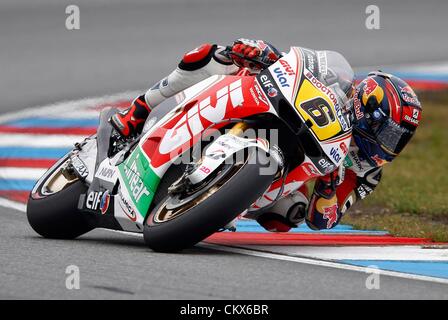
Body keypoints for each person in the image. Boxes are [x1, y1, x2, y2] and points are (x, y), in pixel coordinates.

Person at [109, 38, 422, 232]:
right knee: (215, 55)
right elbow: (296, 65)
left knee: (289, 217)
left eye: (400, 139)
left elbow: (323, 220)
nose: (391, 145)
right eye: (391, 133)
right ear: (366, 106)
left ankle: (219, 198)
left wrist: (329, 182)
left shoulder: (367, 173)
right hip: (272, 105)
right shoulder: (336, 77)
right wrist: (263, 53)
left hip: (292, 169)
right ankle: (140, 108)